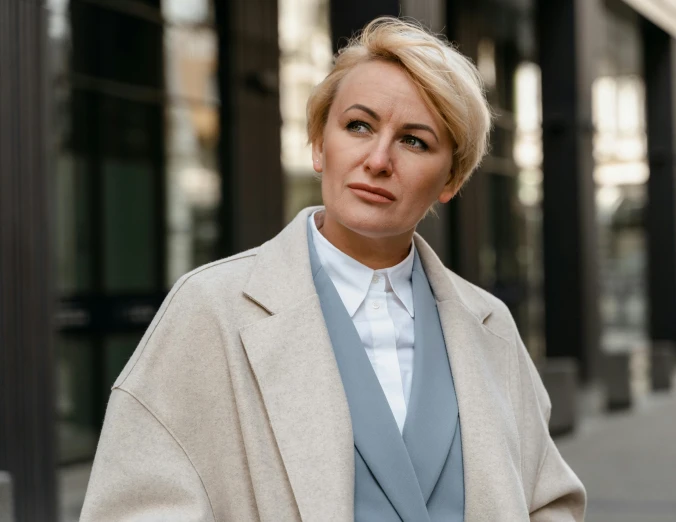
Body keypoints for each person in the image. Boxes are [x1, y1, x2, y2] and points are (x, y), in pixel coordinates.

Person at [80, 17, 586, 522]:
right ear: (320, 145)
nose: (378, 159)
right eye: (358, 126)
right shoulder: (211, 308)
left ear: (450, 179)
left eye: (414, 140)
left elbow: (549, 500)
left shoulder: (490, 324)